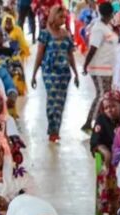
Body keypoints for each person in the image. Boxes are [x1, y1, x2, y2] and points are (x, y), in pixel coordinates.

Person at [31, 5, 78, 143]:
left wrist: (75, 73)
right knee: (52, 101)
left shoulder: (66, 34)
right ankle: (52, 129)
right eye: (60, 17)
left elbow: (70, 55)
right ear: (53, 17)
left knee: (61, 102)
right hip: (49, 73)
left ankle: (56, 130)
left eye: (64, 17)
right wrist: (34, 74)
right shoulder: (45, 34)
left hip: (64, 73)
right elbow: (39, 55)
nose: (63, 19)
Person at [81, 1, 117, 132]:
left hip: (107, 68)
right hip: (99, 68)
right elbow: (93, 48)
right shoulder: (98, 28)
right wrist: (85, 64)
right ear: (110, 14)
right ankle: (89, 122)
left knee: (105, 95)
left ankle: (102, 121)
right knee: (101, 95)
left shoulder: (107, 27)